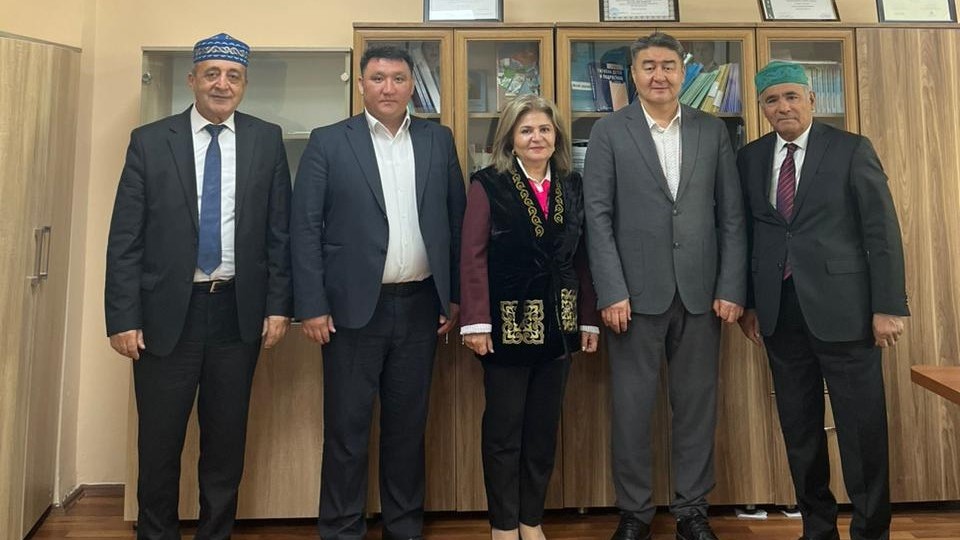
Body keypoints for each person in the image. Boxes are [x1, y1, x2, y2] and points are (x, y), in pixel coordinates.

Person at [104, 33, 292, 539]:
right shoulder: (150, 141)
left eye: (233, 76)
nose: (221, 84)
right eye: (211, 74)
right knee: (159, 442)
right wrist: (122, 317)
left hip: (236, 312)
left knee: (226, 441)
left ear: (244, 84)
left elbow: (279, 233)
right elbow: (125, 238)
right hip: (167, 315)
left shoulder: (266, 140)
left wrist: (279, 307)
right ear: (192, 80)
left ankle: (216, 532)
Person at [290, 45, 466, 540]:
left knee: (408, 428)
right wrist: (311, 306)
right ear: (362, 85)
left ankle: (403, 526)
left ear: (412, 86)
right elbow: (304, 228)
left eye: (398, 78)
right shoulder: (329, 141)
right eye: (378, 78)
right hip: (349, 312)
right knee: (346, 430)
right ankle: (341, 528)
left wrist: (453, 296)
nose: (388, 88)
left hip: (420, 307)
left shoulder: (437, 140)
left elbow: (455, 220)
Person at [582, 32, 746, 540]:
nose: (659, 75)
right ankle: (634, 512)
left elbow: (731, 216)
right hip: (632, 298)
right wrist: (611, 290)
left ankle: (692, 511)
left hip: (701, 295)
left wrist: (731, 286)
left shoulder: (711, 130)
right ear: (634, 74)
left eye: (669, 65)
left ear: (682, 71)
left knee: (696, 408)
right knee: (632, 410)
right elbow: (597, 216)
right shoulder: (609, 131)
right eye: (649, 66)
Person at [737, 60, 908, 540]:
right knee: (800, 432)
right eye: (772, 100)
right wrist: (749, 303)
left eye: (792, 96)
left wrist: (888, 306)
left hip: (847, 313)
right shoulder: (750, 158)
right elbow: (747, 235)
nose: (783, 107)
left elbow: (881, 231)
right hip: (780, 314)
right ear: (762, 107)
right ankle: (817, 530)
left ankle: (870, 532)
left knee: (862, 431)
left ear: (812, 99)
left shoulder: (851, 149)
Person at [459, 95, 600, 540]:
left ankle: (530, 520)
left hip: (559, 325)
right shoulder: (488, 184)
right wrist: (476, 321)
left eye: (544, 129)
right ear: (510, 139)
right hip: (505, 326)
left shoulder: (572, 185)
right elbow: (472, 255)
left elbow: (583, 256)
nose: (536, 138)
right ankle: (503, 525)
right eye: (526, 130)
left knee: (542, 431)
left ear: (556, 136)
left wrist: (588, 318)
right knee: (504, 432)